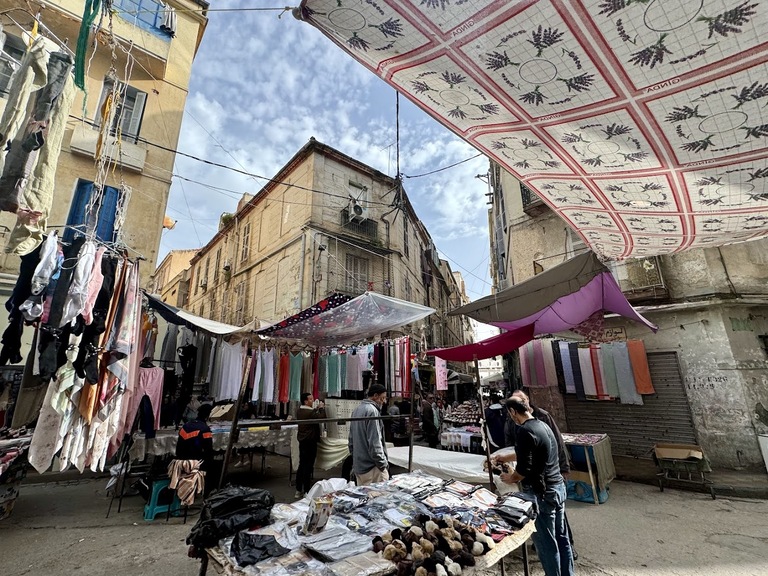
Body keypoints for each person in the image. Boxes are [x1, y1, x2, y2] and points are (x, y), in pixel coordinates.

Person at [497, 396, 574, 576]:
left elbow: (523, 470)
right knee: (562, 539)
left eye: (510, 414)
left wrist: (510, 477)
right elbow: (530, 451)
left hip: (542, 493)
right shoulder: (542, 425)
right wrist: (504, 458)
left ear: (513, 412)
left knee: (547, 544)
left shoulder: (524, 431)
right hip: (557, 488)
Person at [348, 384, 389, 485]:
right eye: (382, 398)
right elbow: (375, 442)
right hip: (372, 468)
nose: (384, 401)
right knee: (379, 498)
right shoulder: (372, 411)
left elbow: (351, 441)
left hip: (360, 467)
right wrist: (382, 464)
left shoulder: (356, 410)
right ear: (375, 396)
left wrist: (356, 461)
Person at [296, 392, 325, 498]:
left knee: (302, 464)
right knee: (308, 466)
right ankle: (307, 490)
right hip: (310, 441)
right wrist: (321, 408)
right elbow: (322, 418)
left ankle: (298, 489)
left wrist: (316, 409)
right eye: (311, 399)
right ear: (305, 401)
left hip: (303, 441)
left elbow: (313, 415)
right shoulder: (309, 413)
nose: (312, 401)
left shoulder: (300, 411)